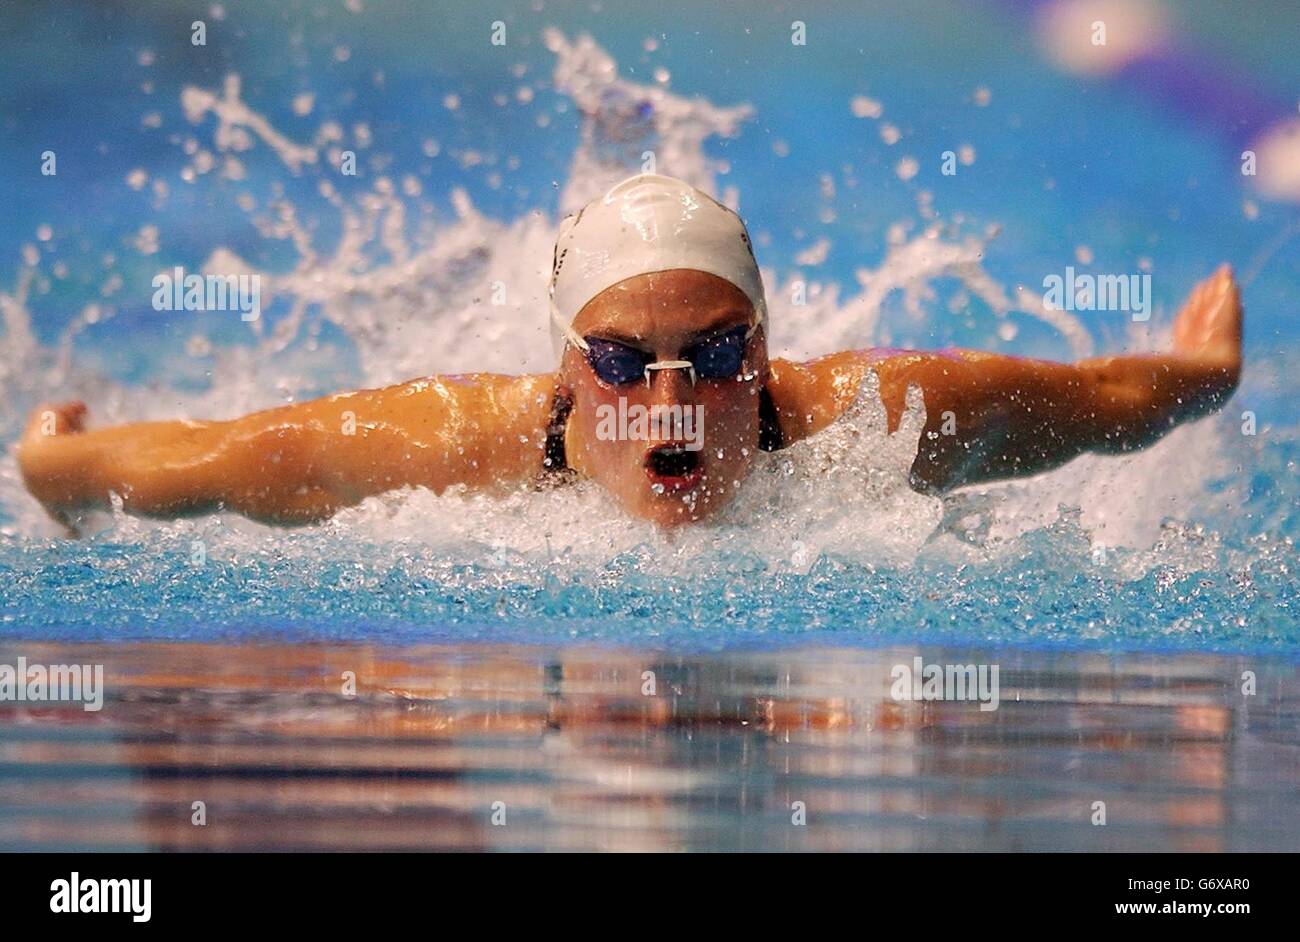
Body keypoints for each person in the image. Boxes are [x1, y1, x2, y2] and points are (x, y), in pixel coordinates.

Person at [17, 174, 1242, 531]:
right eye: (619, 362)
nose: (672, 406)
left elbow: (1107, 399)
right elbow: (208, 456)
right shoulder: (445, 451)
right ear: (562, 376)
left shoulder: (872, 422)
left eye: (711, 357)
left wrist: (1205, 375)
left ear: (762, 356)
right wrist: (54, 468)